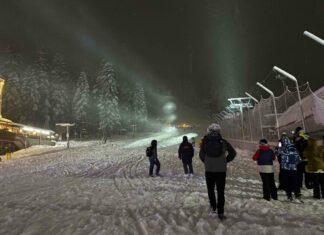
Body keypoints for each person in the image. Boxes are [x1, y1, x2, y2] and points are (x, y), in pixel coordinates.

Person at [199, 123, 236, 220]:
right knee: (220, 191)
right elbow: (233, 153)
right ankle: (221, 212)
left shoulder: (205, 142)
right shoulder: (223, 142)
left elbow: (201, 155)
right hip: (221, 170)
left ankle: (213, 207)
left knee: (210, 190)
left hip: (209, 170)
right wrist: (225, 160)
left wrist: (207, 162)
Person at [277, 133, 302, 201]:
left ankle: (289, 195)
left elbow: (276, 153)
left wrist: (279, 145)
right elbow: (299, 159)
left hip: (285, 168)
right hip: (293, 168)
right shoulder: (294, 148)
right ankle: (297, 193)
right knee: (295, 180)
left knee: (287, 181)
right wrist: (294, 164)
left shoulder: (282, 149)